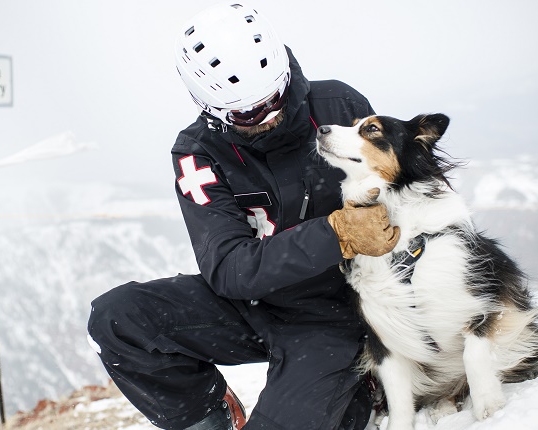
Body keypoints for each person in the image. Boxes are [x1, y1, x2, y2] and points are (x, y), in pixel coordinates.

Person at [87, 2, 400, 429]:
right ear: (211, 105)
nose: (271, 116)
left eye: (275, 97)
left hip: (335, 313)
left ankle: (358, 388)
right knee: (119, 318)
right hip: (253, 304)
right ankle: (209, 416)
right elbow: (228, 269)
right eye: (249, 112)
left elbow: (395, 191)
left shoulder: (338, 105)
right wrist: (335, 234)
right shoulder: (197, 153)